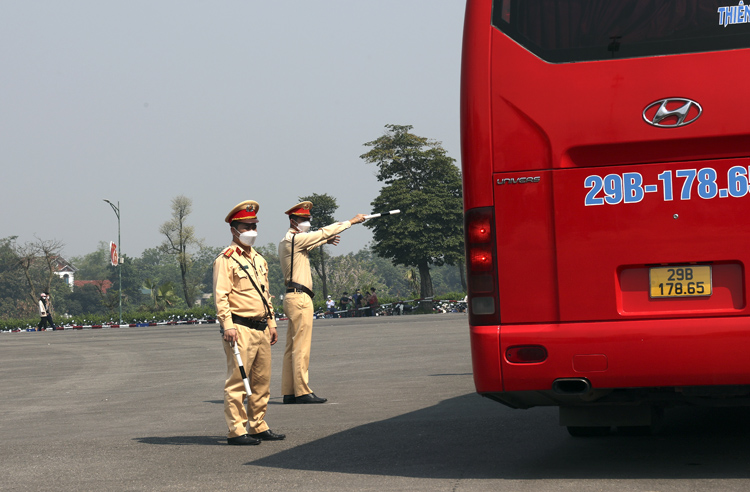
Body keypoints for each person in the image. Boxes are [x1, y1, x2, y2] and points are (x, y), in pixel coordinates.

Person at [279, 201, 366, 404]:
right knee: (301, 347)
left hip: (294, 297)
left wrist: (323, 242)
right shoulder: (295, 239)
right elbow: (322, 233)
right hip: (300, 298)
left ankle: (290, 391)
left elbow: (314, 240)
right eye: (303, 219)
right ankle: (302, 391)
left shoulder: (289, 240)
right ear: (293, 221)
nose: (307, 222)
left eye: (308, 219)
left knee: (292, 346)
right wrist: (351, 221)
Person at [213, 200, 285, 445]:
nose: (251, 231)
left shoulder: (258, 259)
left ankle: (257, 425)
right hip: (240, 328)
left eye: (254, 226)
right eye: (246, 226)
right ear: (234, 229)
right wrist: (228, 325)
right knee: (237, 382)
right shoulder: (226, 259)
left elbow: (265, 294)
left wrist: (272, 322)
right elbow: (221, 294)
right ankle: (237, 430)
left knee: (261, 381)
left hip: (262, 327)